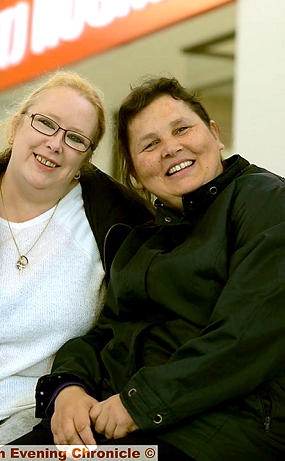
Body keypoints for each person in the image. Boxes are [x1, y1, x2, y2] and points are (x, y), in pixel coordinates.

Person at [24, 76, 284, 460]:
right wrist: (67, 388)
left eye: (182, 129)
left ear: (214, 134)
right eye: (150, 144)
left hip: (223, 427)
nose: (171, 148)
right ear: (133, 173)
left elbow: (246, 336)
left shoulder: (266, 202)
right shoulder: (141, 242)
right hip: (126, 423)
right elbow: (105, 333)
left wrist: (138, 403)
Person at [0, 70, 152, 446]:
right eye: (46, 123)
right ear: (17, 126)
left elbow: (132, 329)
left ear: (86, 158)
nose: (55, 144)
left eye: (75, 138)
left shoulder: (120, 223)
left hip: (51, 422)